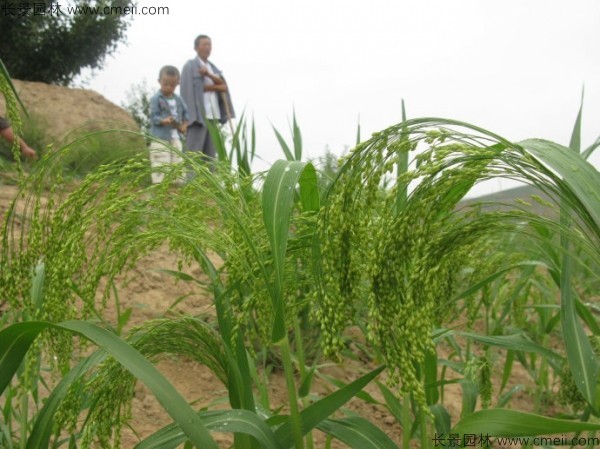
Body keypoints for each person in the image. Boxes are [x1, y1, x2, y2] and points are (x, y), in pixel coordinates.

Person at [180, 34, 234, 163]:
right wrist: (186, 117)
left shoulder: (213, 68)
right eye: (205, 44)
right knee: (193, 154)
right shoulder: (190, 66)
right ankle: (191, 182)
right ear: (196, 47)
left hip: (213, 117)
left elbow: (223, 86)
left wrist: (209, 84)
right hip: (197, 117)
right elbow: (185, 91)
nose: (208, 47)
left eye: (210, 45)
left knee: (210, 156)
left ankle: (208, 183)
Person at [149, 65, 189, 184]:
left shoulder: (178, 100)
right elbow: (153, 116)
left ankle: (177, 184)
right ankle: (160, 184)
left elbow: (186, 116)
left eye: (172, 85)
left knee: (178, 159)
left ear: (177, 83)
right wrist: (164, 120)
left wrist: (184, 125)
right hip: (160, 137)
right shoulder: (156, 99)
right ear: (159, 81)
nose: (168, 88)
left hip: (175, 136)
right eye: (165, 84)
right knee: (161, 159)